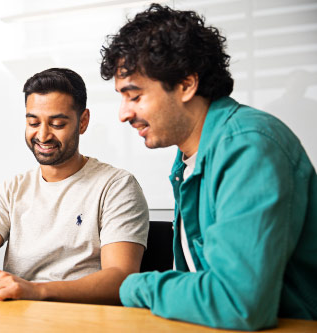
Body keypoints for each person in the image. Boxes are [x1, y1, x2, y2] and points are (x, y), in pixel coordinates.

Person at [100, 3, 317, 330]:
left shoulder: (249, 146)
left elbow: (237, 302)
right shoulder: (189, 158)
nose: (123, 113)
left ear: (186, 84)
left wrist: (131, 284)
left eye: (135, 95)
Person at [0, 68, 149, 305]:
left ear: (83, 122)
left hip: (81, 320)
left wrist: (34, 290)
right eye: (33, 122)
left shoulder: (116, 186)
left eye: (57, 124)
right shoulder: (14, 188)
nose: (43, 135)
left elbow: (121, 278)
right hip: (18, 318)